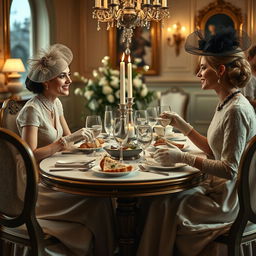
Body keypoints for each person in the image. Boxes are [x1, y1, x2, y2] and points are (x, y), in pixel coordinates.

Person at [137, 28, 256, 256]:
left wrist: (182, 157)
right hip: (224, 191)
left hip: (229, 202)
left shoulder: (236, 110)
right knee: (160, 200)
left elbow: (230, 169)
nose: (198, 73)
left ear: (220, 70)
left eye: (203, 67)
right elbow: (215, 150)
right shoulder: (228, 102)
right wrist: (184, 126)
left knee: (162, 204)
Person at [16, 44, 116, 256]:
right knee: (97, 202)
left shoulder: (55, 103)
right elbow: (29, 154)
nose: (69, 81)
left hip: (52, 171)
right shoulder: (32, 110)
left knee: (103, 197)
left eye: (68, 75)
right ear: (45, 82)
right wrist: (67, 140)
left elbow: (71, 142)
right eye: (63, 76)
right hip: (35, 183)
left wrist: (92, 142)